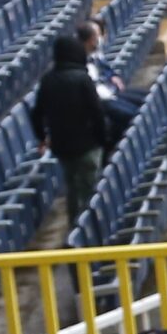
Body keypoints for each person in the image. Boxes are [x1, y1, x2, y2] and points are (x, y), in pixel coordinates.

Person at [33, 34, 107, 220]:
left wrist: (42, 137)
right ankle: (91, 228)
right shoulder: (82, 78)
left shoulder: (47, 80)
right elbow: (97, 112)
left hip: (62, 146)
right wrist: (102, 138)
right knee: (89, 188)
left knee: (72, 186)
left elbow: (36, 113)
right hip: (87, 144)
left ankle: (75, 225)